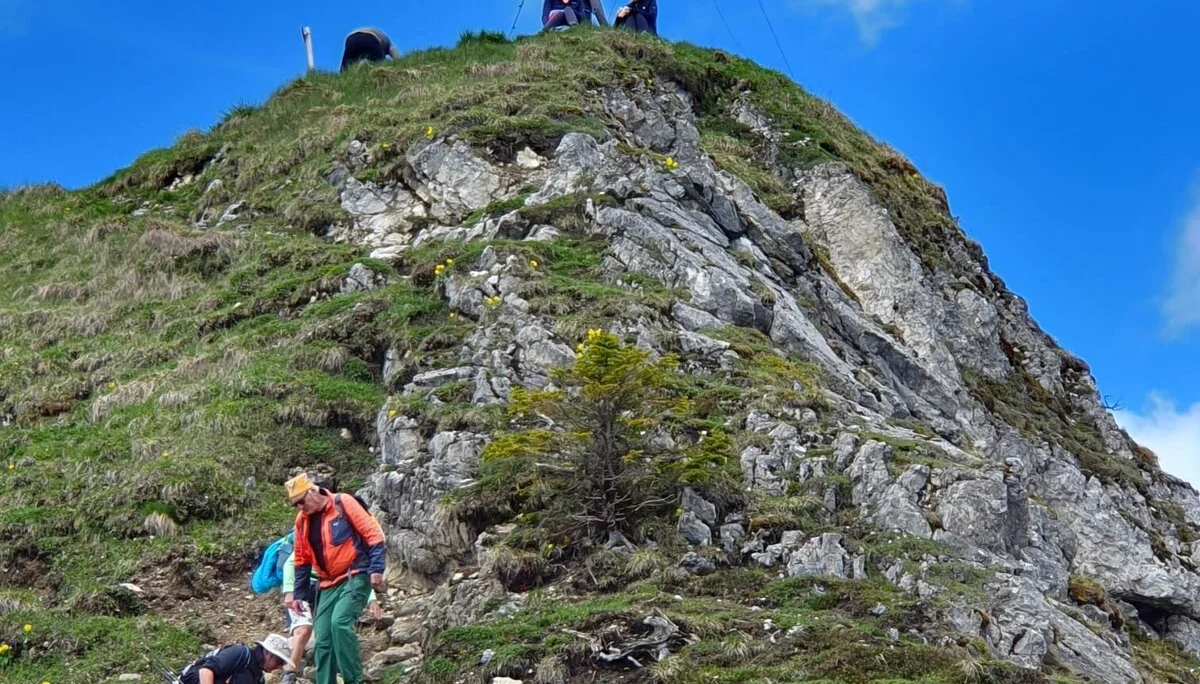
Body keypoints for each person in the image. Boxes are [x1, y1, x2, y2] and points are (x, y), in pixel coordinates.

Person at [287, 474, 386, 684]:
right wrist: (299, 594)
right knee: (322, 638)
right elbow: (302, 558)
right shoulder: (302, 521)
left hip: (355, 575)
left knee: (339, 624)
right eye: (295, 505)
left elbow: (373, 534)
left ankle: (354, 679)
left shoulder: (342, 503)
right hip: (326, 584)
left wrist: (376, 568)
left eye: (301, 502)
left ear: (313, 492)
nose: (300, 508)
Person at [278, 532, 383, 684]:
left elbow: (356, 572)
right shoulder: (315, 537)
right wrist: (290, 592)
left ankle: (341, 670)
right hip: (301, 587)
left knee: (333, 626)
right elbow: (292, 563)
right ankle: (289, 673)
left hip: (327, 586)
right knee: (304, 630)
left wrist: (372, 599)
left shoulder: (346, 543)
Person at [179, 634, 293, 684]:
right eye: (279, 661)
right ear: (268, 653)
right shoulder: (240, 653)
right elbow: (205, 671)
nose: (279, 666)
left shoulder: (258, 678)